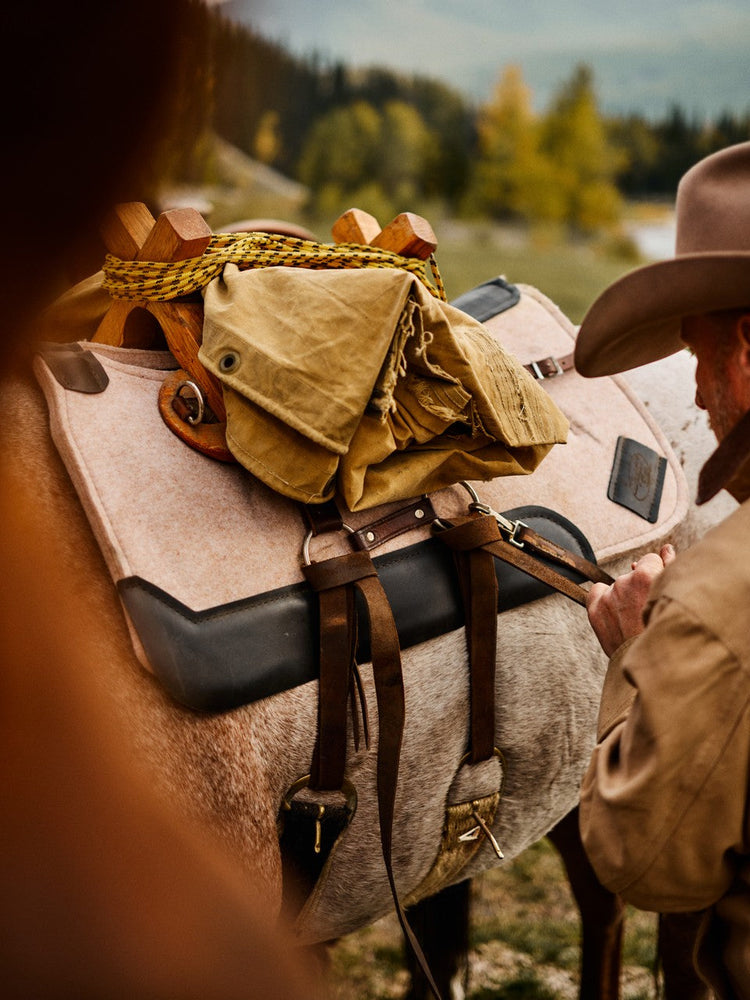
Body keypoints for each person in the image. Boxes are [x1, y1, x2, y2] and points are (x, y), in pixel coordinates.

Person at [574, 140, 750, 998]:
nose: (700, 392)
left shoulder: (724, 601)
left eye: (697, 355)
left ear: (747, 353)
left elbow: (643, 859)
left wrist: (633, 659)